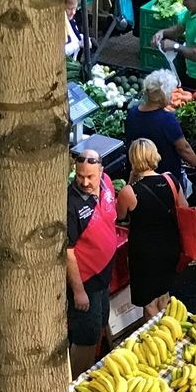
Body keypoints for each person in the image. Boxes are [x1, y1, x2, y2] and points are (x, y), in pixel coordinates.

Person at [64, 144, 133, 370]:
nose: (85, 182)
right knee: (86, 337)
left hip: (103, 276)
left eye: (90, 176)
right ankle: (76, 381)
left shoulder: (107, 184)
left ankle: (96, 367)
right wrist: (78, 291)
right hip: (87, 282)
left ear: (101, 171)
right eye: (80, 176)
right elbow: (68, 252)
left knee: (101, 323)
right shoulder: (70, 204)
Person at [124, 138, 185, 317]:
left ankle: (155, 337)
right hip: (170, 245)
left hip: (144, 253)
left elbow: (119, 216)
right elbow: (184, 206)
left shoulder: (130, 191)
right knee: (164, 294)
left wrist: (130, 179)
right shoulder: (171, 180)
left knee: (149, 302)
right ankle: (170, 332)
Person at [125, 69, 196, 193]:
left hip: (140, 178)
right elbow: (184, 148)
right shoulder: (166, 119)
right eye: (170, 93)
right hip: (165, 180)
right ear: (163, 96)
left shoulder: (132, 114)